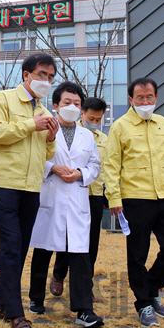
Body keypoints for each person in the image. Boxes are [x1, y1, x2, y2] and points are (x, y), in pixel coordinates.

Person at [0, 53, 59, 328]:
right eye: (42, 74)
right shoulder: (2, 99)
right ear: (27, 75)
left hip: (31, 186)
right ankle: (16, 316)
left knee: (19, 247)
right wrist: (31, 125)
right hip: (4, 182)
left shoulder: (46, 112)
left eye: (51, 77)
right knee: (12, 245)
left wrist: (50, 138)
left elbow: (46, 153)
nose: (47, 81)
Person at [104, 77, 164, 328]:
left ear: (156, 98)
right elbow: (111, 165)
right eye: (140, 98)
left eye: (150, 97)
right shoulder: (120, 127)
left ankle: (150, 288)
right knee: (137, 254)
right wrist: (114, 198)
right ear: (131, 100)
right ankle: (144, 304)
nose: (145, 101)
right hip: (135, 199)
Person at [28, 82, 103, 328]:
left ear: (81, 109)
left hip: (78, 199)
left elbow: (95, 166)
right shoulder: (44, 129)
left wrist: (80, 173)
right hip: (51, 197)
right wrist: (53, 168)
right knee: (43, 250)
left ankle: (84, 310)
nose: (72, 107)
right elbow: (34, 158)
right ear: (55, 105)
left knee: (80, 254)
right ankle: (36, 298)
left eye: (77, 104)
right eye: (67, 103)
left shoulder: (87, 136)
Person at [50, 97, 108, 303]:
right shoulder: (71, 133)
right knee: (66, 239)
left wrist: (108, 193)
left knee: (89, 244)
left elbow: (104, 167)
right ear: (82, 114)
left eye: (99, 119)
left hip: (94, 194)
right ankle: (58, 275)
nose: (95, 122)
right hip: (71, 192)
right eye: (91, 118)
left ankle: (86, 286)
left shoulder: (103, 138)